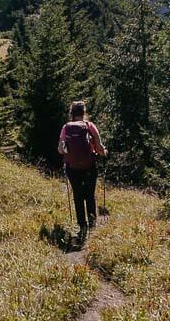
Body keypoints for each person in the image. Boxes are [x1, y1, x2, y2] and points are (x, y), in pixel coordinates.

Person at [58, 101, 107, 238]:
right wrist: (105, 152)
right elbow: (99, 148)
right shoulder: (89, 126)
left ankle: (82, 226)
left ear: (71, 113)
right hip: (89, 166)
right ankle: (92, 224)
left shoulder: (66, 128)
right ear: (84, 112)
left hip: (72, 168)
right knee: (89, 195)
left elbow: (60, 150)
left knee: (78, 195)